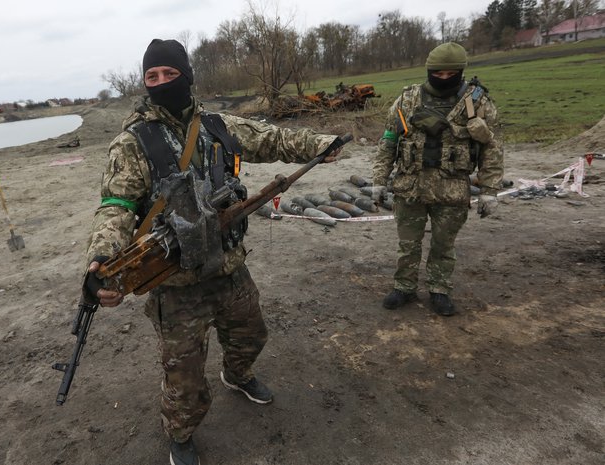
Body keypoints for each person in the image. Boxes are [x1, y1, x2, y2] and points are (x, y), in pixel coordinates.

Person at [84, 39, 343, 465]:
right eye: (153, 76)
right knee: (184, 379)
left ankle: (237, 375)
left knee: (252, 334)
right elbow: (116, 207)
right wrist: (101, 259)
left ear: (187, 75)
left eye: (170, 73)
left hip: (227, 266)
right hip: (176, 281)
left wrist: (321, 144)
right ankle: (181, 435)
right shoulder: (131, 143)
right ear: (144, 82)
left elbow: (272, 139)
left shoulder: (217, 126)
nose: (162, 82)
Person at [373, 42, 503, 317]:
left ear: (460, 72)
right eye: (438, 73)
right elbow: (388, 142)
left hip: (452, 190)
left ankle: (439, 289)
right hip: (410, 187)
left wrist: (490, 189)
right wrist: (378, 179)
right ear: (429, 71)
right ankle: (404, 286)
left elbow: (492, 148)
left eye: (450, 74)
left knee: (444, 245)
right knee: (408, 244)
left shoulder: (477, 103)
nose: (444, 78)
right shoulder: (407, 100)